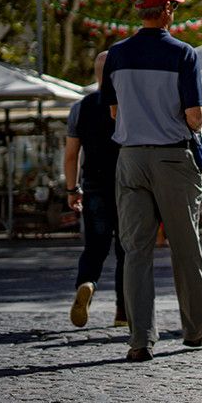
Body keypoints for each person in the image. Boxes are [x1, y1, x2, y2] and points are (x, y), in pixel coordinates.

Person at [102, 0, 202, 363]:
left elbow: (114, 112)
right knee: (185, 245)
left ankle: (139, 340)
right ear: (166, 11)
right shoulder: (183, 54)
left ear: (140, 11)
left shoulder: (115, 55)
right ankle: (197, 327)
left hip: (130, 158)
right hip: (172, 158)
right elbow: (194, 117)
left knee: (136, 251)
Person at [64, 51, 125, 329]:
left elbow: (71, 154)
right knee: (127, 250)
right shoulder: (127, 104)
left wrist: (71, 189)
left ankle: (86, 283)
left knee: (94, 247)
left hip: (94, 185)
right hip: (127, 184)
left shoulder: (80, 108)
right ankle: (123, 313)